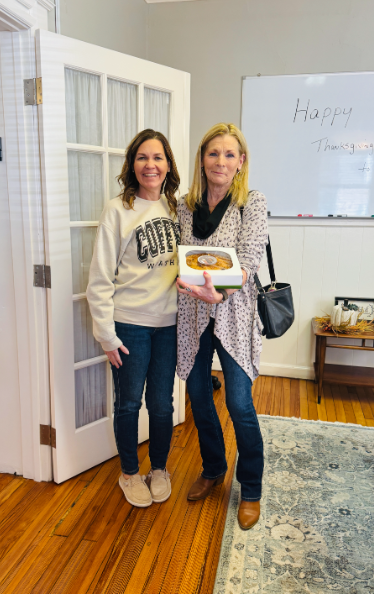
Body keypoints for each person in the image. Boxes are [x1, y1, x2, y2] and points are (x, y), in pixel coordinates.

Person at [176, 123, 268, 530]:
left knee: (239, 403)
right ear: (202, 158)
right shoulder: (183, 205)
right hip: (192, 315)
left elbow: (248, 261)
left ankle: (250, 487)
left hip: (235, 315)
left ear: (241, 162)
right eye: (214, 153)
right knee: (198, 394)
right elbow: (181, 257)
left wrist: (221, 294)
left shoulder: (252, 203)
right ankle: (213, 468)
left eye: (230, 154)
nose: (221, 161)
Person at [87, 129, 180, 508]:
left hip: (169, 325)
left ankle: (158, 469)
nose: (150, 165)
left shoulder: (177, 209)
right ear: (132, 164)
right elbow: (100, 276)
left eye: (157, 157)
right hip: (130, 325)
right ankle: (129, 473)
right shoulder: (117, 209)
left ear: (168, 165)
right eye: (142, 157)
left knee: (161, 404)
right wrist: (106, 335)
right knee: (128, 404)